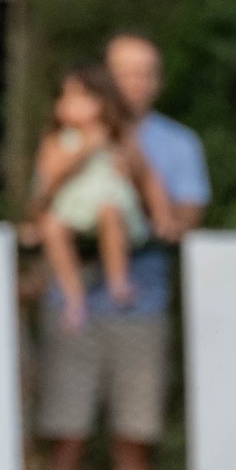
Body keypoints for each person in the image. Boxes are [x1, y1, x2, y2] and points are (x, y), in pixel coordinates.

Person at [30, 34, 209, 470]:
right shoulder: (61, 141)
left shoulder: (172, 144)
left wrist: (146, 209)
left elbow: (179, 216)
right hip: (71, 307)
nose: (136, 84)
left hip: (140, 306)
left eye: (147, 73)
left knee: (135, 439)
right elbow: (40, 208)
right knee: (66, 438)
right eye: (125, 74)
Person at [34, 66, 176, 333]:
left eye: (82, 98)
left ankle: (118, 281)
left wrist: (162, 216)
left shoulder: (121, 137)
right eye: (67, 98)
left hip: (112, 206)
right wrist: (85, 149)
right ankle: (74, 297)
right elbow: (48, 180)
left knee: (108, 212)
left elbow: (148, 178)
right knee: (52, 227)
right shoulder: (57, 140)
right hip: (73, 209)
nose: (73, 106)